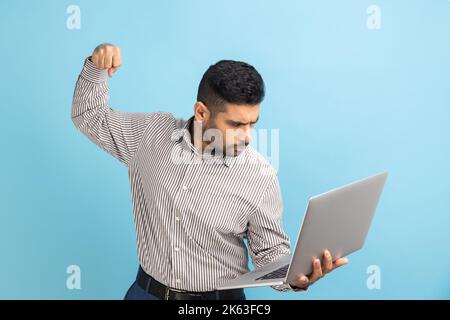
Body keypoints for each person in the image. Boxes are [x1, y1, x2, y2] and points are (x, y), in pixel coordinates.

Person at [71, 43, 348, 300]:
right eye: (237, 124)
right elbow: (89, 115)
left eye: (253, 123)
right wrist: (97, 68)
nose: (248, 136)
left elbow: (270, 254)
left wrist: (297, 277)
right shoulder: (150, 135)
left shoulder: (260, 175)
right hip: (146, 293)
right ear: (201, 113)